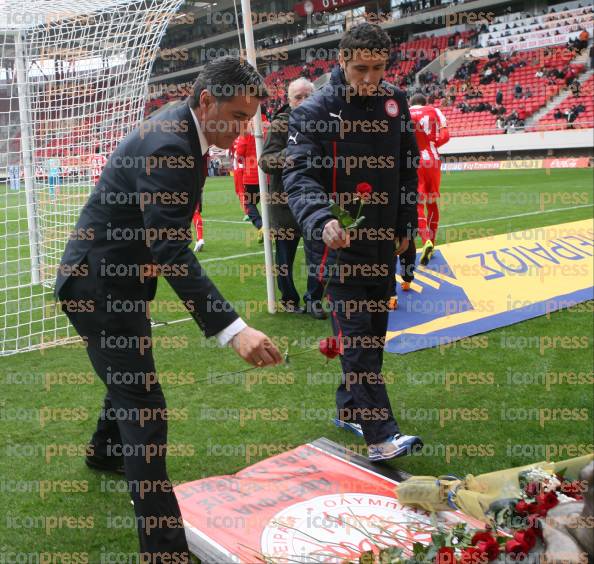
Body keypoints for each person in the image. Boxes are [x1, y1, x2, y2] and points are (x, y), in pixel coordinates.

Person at [53, 56, 282, 561]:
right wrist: (232, 329)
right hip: (97, 288)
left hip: (116, 281)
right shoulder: (171, 144)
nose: (246, 130)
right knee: (145, 407)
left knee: (129, 380)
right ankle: (165, 551)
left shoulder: (184, 131)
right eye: (240, 118)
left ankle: (104, 452)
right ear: (207, 101)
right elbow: (171, 248)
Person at [284, 23, 423, 462]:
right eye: (361, 68)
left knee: (373, 341)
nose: (369, 77)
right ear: (341, 61)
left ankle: (350, 408)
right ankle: (381, 435)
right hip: (337, 248)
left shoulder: (394, 102)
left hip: (382, 246)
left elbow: (406, 171)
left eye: (378, 68)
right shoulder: (314, 111)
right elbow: (298, 175)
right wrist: (321, 218)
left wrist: (406, 229)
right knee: (358, 342)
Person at [259, 77, 327, 318]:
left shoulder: (324, 121)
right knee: (285, 258)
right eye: (298, 96)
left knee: (317, 255)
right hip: (284, 204)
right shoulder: (280, 124)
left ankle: (313, 300)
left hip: (315, 201)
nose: (304, 100)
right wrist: (293, 152)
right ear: (289, 101)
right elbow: (265, 160)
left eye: (308, 95)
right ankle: (289, 299)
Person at [409, 93, 450, 265]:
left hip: (413, 160)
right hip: (432, 160)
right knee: (432, 202)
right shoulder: (435, 111)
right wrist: (432, 143)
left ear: (411, 103)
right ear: (425, 102)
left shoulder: (405, 112)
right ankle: (432, 243)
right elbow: (446, 136)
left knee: (417, 203)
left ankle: (425, 239)